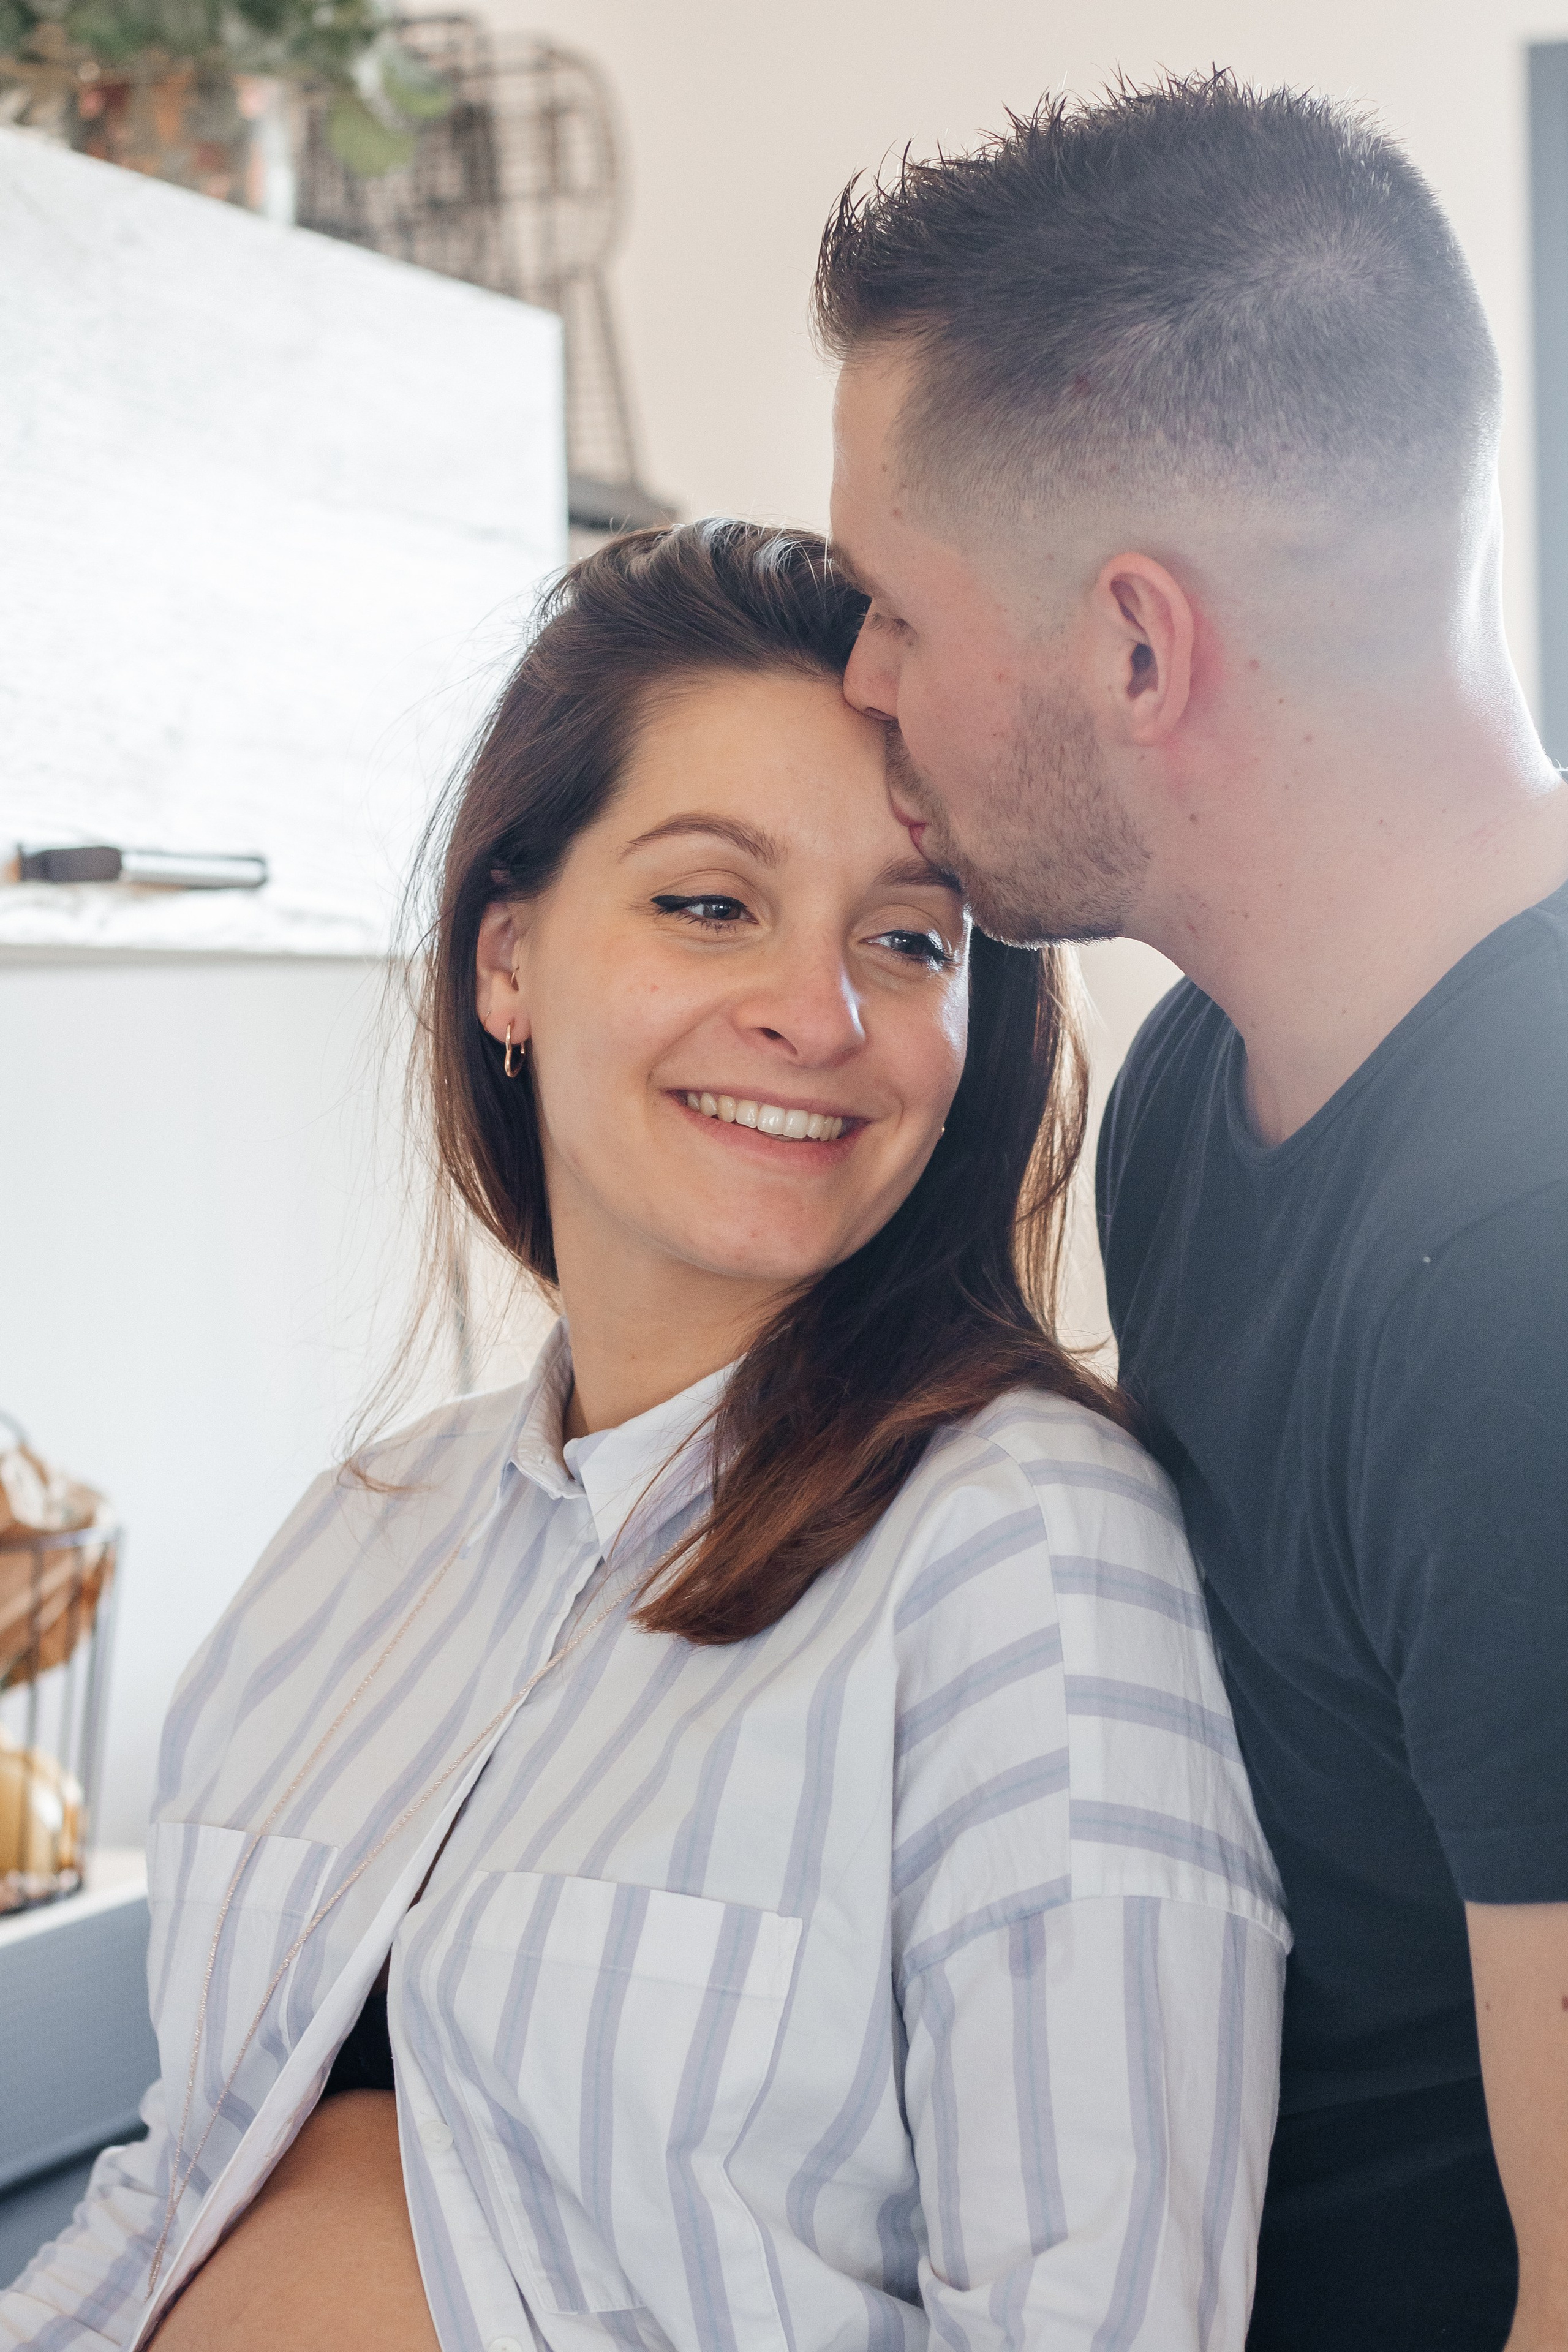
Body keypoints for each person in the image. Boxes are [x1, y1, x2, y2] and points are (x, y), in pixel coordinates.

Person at [1, 522, 1285, 2352]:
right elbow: (170, 2190)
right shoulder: (361, 1537)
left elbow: (1099, 2319)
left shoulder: (1023, 1549)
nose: (818, 1014)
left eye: (906, 940)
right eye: (710, 903)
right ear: (507, 960)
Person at [820, 68, 1568, 2352]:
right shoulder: (1185, 1090)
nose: (862, 680)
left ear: (1140, 649)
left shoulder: (1522, 1269)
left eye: (893, 608)